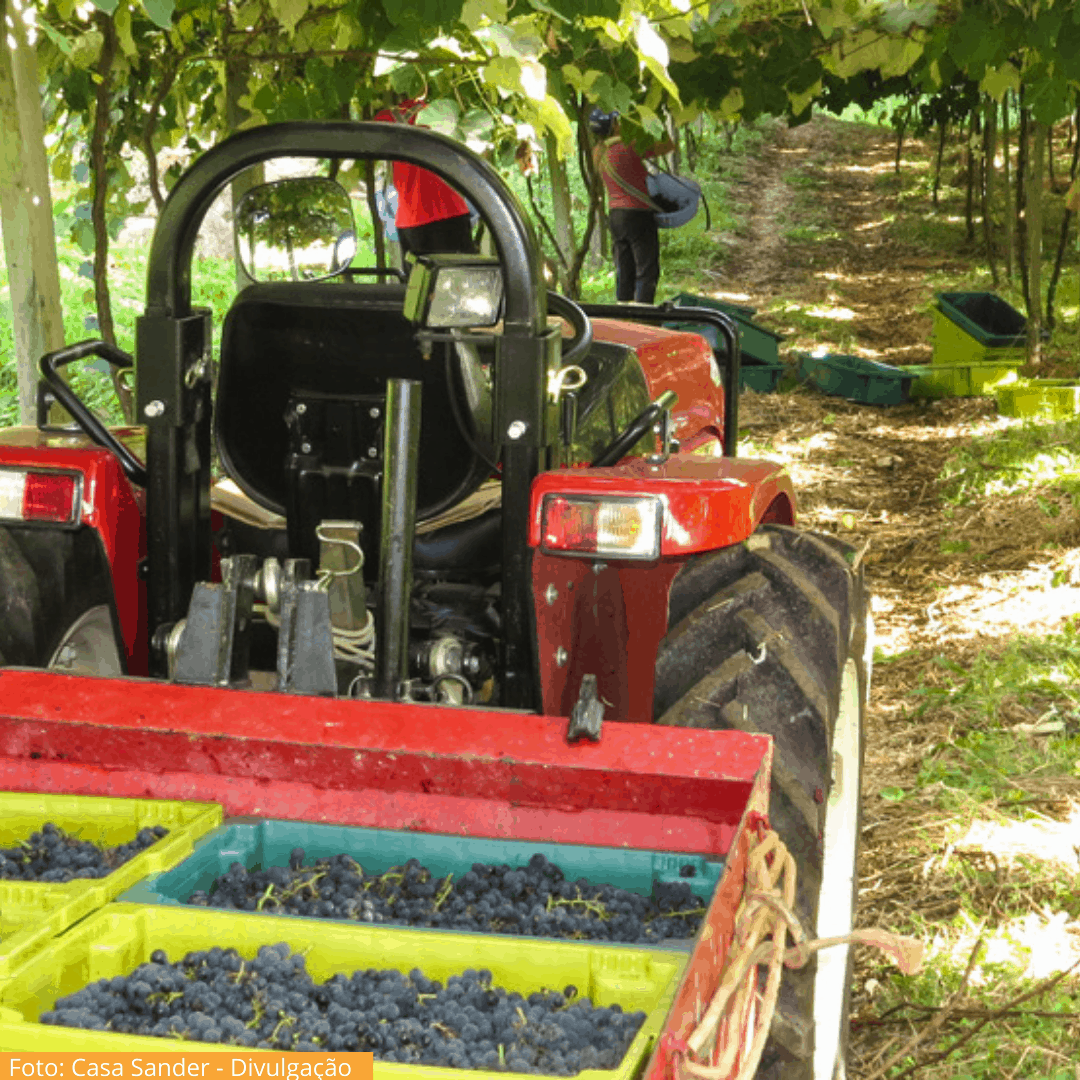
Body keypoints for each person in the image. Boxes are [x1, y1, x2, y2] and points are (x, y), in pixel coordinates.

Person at [373, 97, 478, 258]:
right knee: (459, 278)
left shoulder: (386, 118)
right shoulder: (444, 113)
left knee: (418, 281)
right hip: (449, 210)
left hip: (409, 218)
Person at [590, 109, 674, 304]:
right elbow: (669, 145)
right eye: (618, 121)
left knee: (624, 269)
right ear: (613, 126)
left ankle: (623, 315)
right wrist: (649, 119)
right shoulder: (629, 146)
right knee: (646, 270)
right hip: (638, 215)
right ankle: (643, 316)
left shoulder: (597, 153)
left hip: (615, 216)